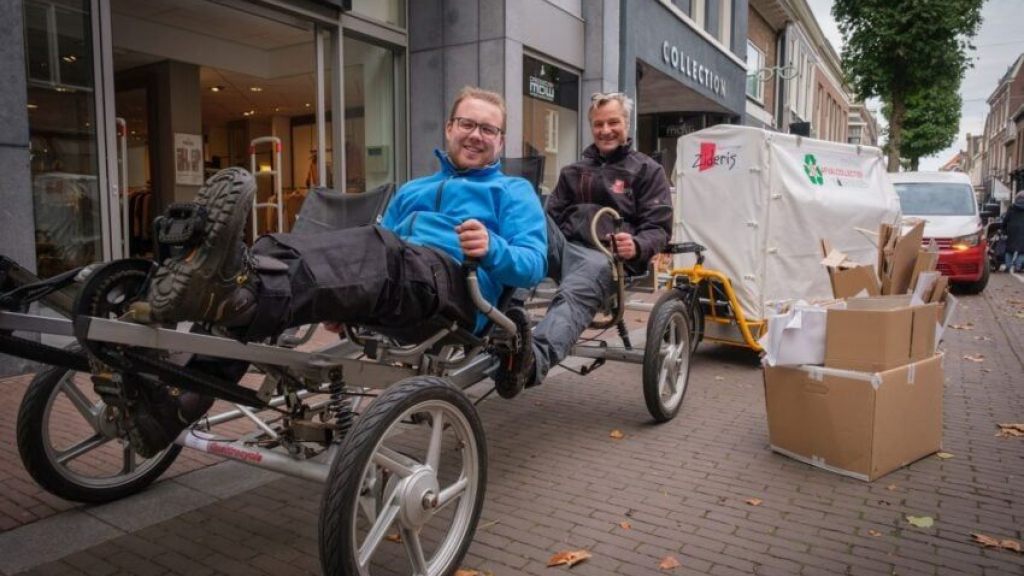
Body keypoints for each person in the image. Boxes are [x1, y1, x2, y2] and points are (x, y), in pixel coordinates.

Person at [125, 86, 548, 456]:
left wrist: (494, 248)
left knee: (373, 246)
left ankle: (237, 291)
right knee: (274, 251)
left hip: (456, 290)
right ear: (449, 129)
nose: (476, 135)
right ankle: (177, 406)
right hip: (400, 283)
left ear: (500, 140)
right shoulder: (414, 189)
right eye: (467, 123)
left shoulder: (513, 191)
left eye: (488, 129)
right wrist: (345, 299)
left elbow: (533, 265)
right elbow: (383, 254)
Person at [497, 92, 673, 396]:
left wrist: (638, 245)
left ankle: (531, 361)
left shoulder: (647, 171)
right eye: (598, 124)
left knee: (576, 290)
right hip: (565, 247)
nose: (605, 130)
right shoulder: (573, 172)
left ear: (626, 124)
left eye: (613, 122)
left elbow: (658, 228)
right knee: (528, 233)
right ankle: (504, 327)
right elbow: (548, 219)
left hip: (603, 256)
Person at [1004, 191, 1024, 273]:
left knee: (1009, 249)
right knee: (1022, 250)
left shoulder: (1011, 207)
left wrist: (1003, 229)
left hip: (1011, 230)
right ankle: (1018, 267)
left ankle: (1008, 266)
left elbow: (1006, 219)